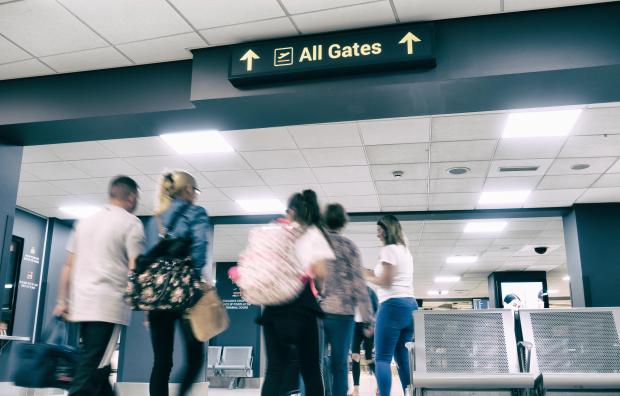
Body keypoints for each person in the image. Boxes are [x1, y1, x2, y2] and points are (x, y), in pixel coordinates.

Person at [53, 176, 145, 396]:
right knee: (90, 368)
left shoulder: (85, 222)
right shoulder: (131, 223)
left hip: (81, 305)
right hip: (108, 307)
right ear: (132, 197)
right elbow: (136, 267)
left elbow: (68, 265)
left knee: (99, 366)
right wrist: (147, 304)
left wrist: (61, 301)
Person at [260, 189, 335, 396]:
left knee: (275, 369)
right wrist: (318, 288)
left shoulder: (273, 231)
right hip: (303, 309)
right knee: (311, 369)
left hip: (274, 308)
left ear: (291, 211)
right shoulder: (313, 234)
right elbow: (321, 273)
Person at [146, 170, 210, 396]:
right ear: (189, 190)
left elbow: (149, 261)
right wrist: (195, 279)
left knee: (161, 362)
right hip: (185, 294)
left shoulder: (156, 219)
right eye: (196, 190)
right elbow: (200, 250)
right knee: (196, 357)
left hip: (156, 298)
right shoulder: (196, 212)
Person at [320, 204, 374, 396]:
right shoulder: (350, 247)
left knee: (313, 363)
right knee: (340, 365)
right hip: (343, 315)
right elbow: (360, 285)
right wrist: (368, 319)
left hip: (317, 313)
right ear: (343, 223)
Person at [364, 215, 417, 396]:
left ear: (387, 231)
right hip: (410, 307)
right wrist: (365, 271)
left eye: (380, 231)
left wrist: (367, 277)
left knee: (382, 359)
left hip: (392, 306)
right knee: (402, 359)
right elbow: (381, 274)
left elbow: (385, 281)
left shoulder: (388, 250)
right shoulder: (405, 251)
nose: (378, 235)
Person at [350, 286, 378, 396]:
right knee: (355, 357)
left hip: (368, 325)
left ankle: (380, 385)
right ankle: (356, 390)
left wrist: (372, 325)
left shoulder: (370, 291)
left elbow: (376, 309)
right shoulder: (351, 289)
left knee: (368, 358)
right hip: (355, 326)